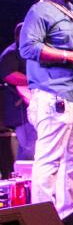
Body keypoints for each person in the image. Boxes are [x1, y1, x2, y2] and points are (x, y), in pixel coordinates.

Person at [19, 0, 73, 217]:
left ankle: (66, 215)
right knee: (49, 161)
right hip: (53, 94)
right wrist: (71, 57)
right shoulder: (41, 11)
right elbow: (27, 48)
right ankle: (43, 222)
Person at [0, 22, 36, 160]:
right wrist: (35, 79)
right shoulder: (10, 53)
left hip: (30, 106)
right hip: (19, 108)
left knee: (32, 146)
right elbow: (10, 75)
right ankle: (24, 178)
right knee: (29, 147)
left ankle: (27, 178)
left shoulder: (28, 52)